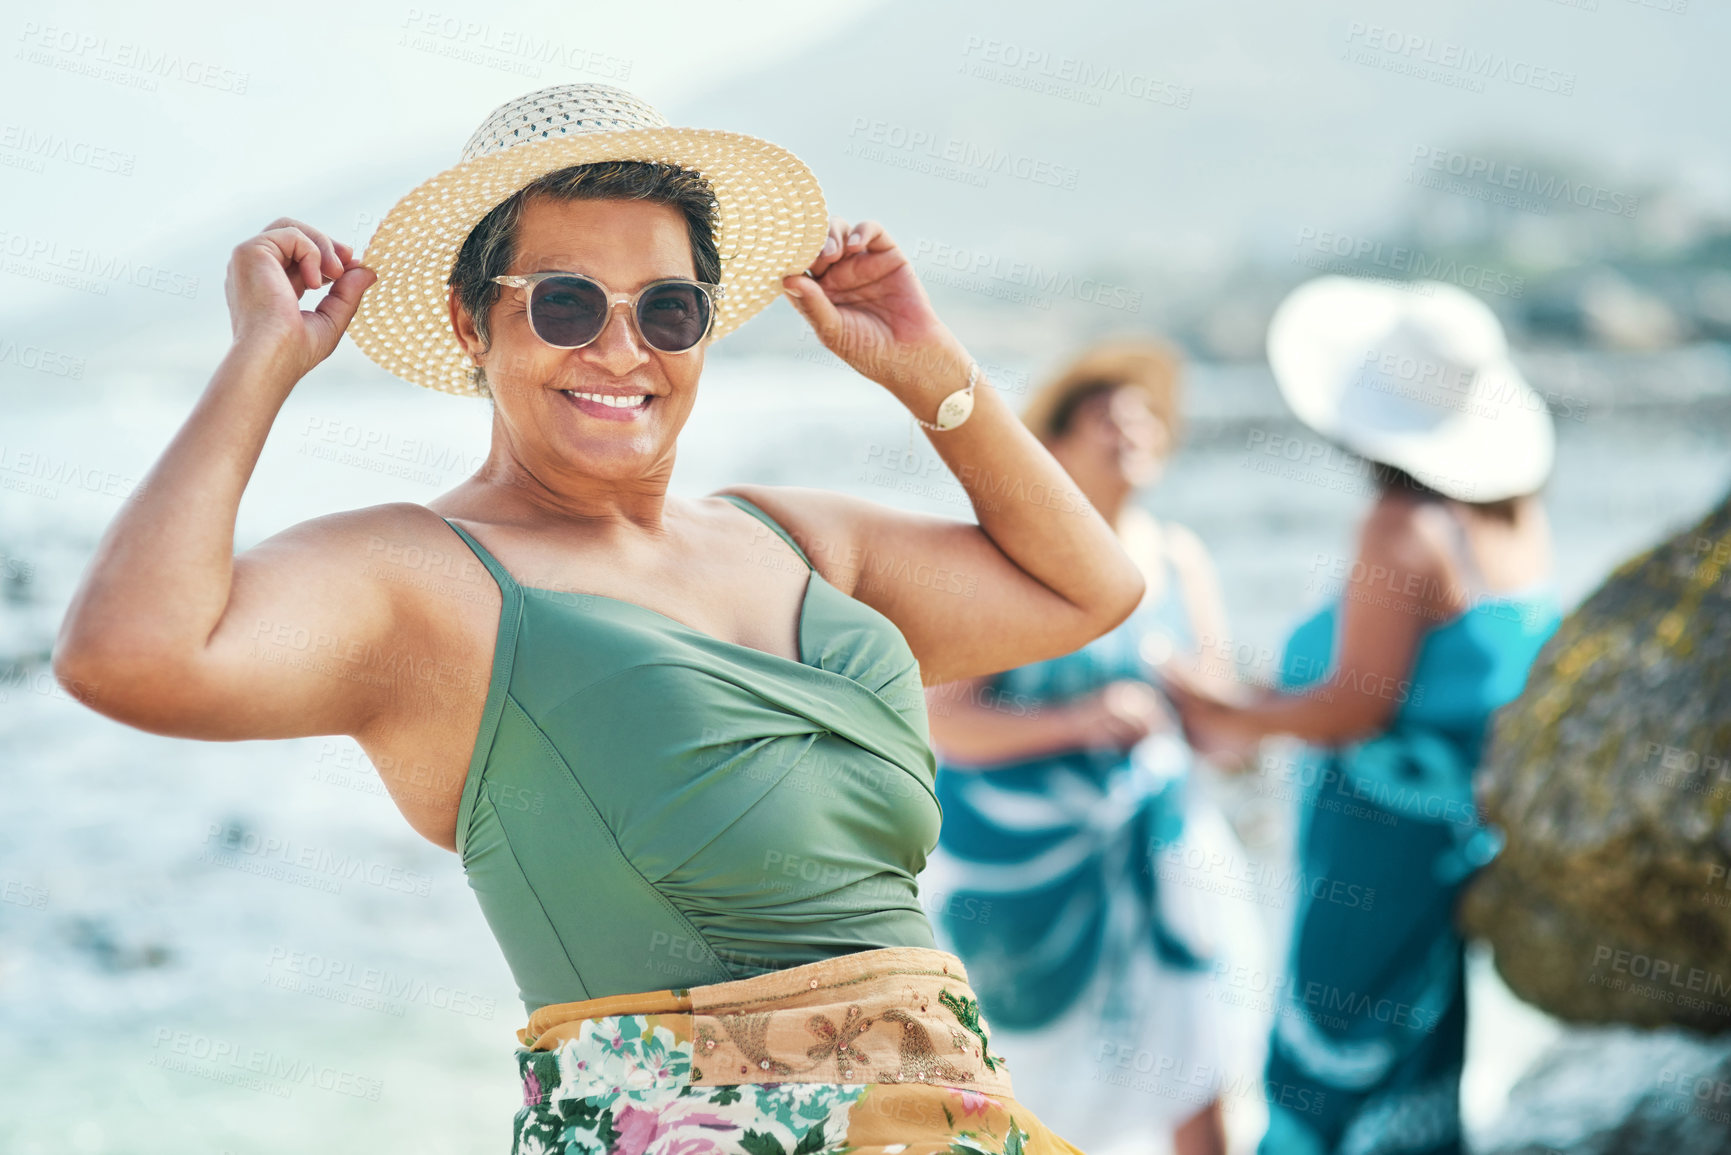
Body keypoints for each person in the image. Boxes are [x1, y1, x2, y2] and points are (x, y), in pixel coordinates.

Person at [50, 83, 1150, 1154]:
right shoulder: (425, 581)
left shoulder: (795, 538)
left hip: (964, 1120)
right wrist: (259, 365)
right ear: (470, 319)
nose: (622, 350)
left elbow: (1088, 588)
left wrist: (932, 375)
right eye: (566, 303)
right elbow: (126, 654)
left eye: (668, 309)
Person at [1162, 276, 1565, 1155]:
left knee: (1328, 1056)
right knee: (1414, 1055)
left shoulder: (1400, 525)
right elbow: (1443, 680)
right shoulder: (1514, 518)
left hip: (1375, 838)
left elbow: (1356, 704)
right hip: (1452, 837)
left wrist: (1214, 703)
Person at [920, 341, 1268, 1155]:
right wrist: (1081, 719)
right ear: (1056, 443)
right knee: (1025, 1094)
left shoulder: (1181, 557)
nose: (1134, 430)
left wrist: (1272, 716)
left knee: (1199, 1061)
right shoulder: (1016, 556)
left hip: (1167, 856)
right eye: (1109, 417)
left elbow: (1216, 727)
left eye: (1146, 416)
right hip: (1027, 876)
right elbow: (946, 723)